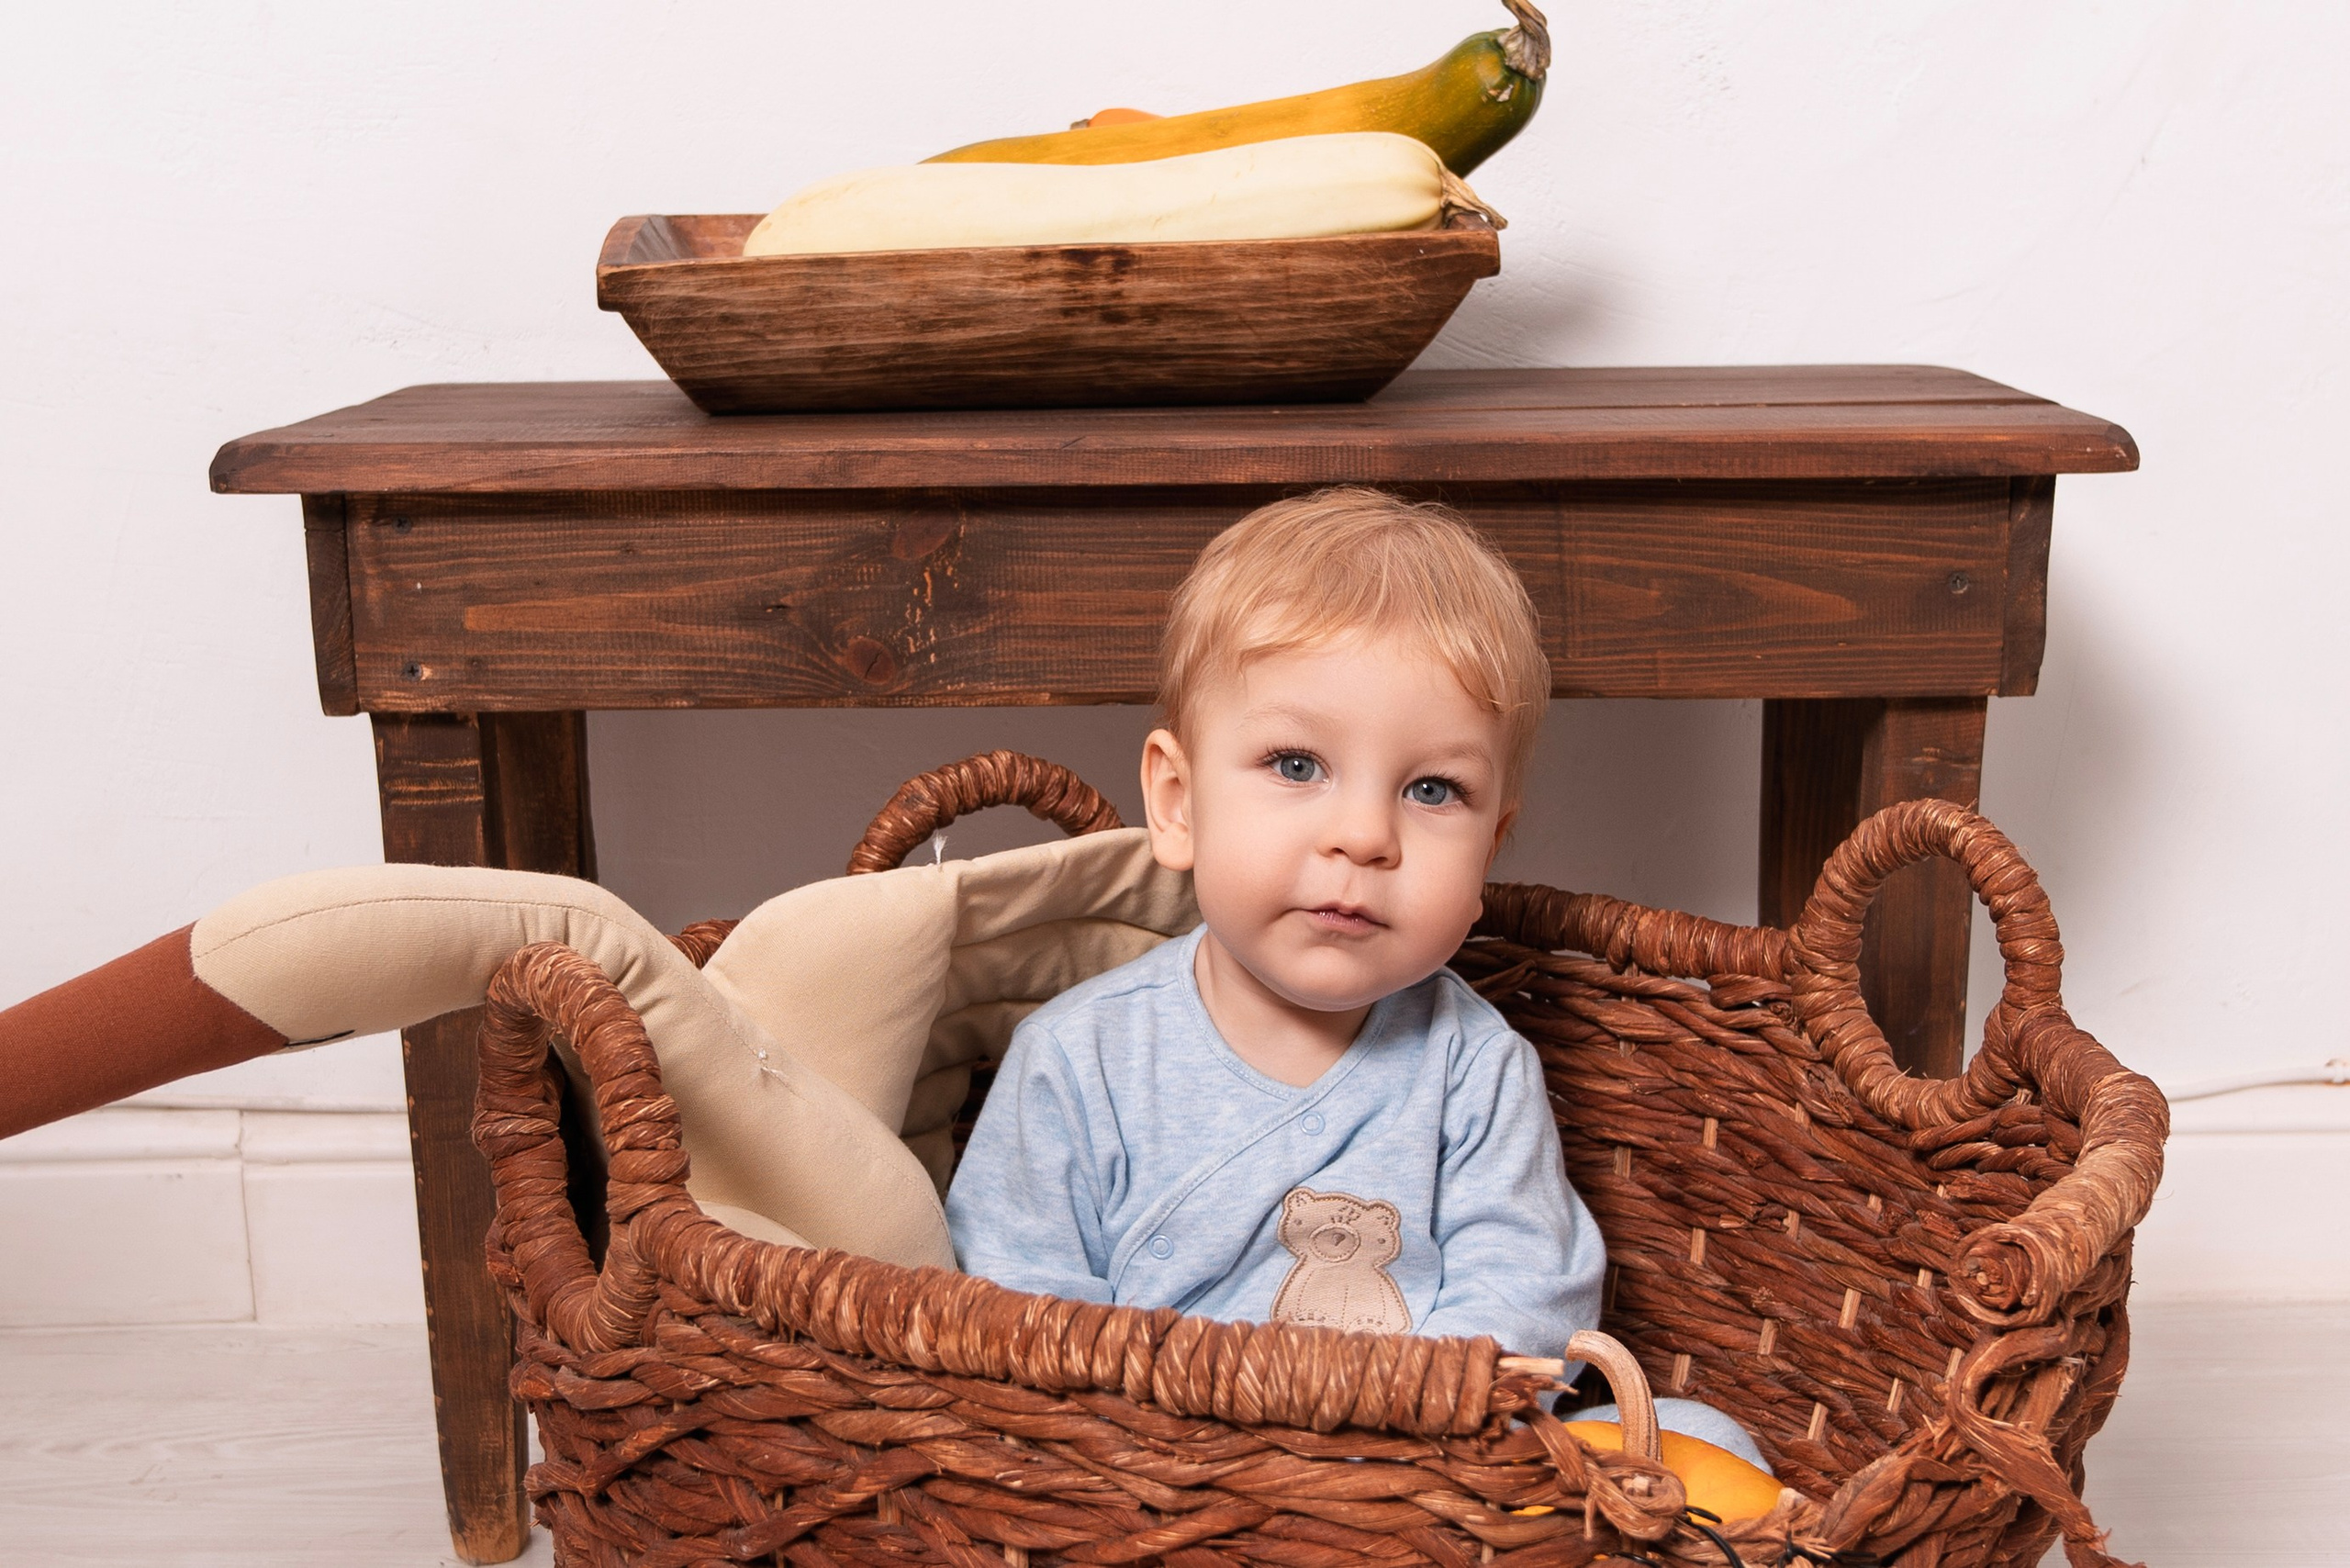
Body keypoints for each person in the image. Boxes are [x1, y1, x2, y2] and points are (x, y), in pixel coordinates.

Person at [945, 487, 1762, 1462]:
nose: (1365, 835)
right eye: (1297, 765)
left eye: (1432, 789)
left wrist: (1413, 1425)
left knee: (1703, 1442)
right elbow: (1016, 1311)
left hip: (1420, 1461)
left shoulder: (1473, 1067)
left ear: (1489, 851)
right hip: (1160, 1463)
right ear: (1178, 801)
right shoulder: (1080, 1057)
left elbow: (1528, 1288)